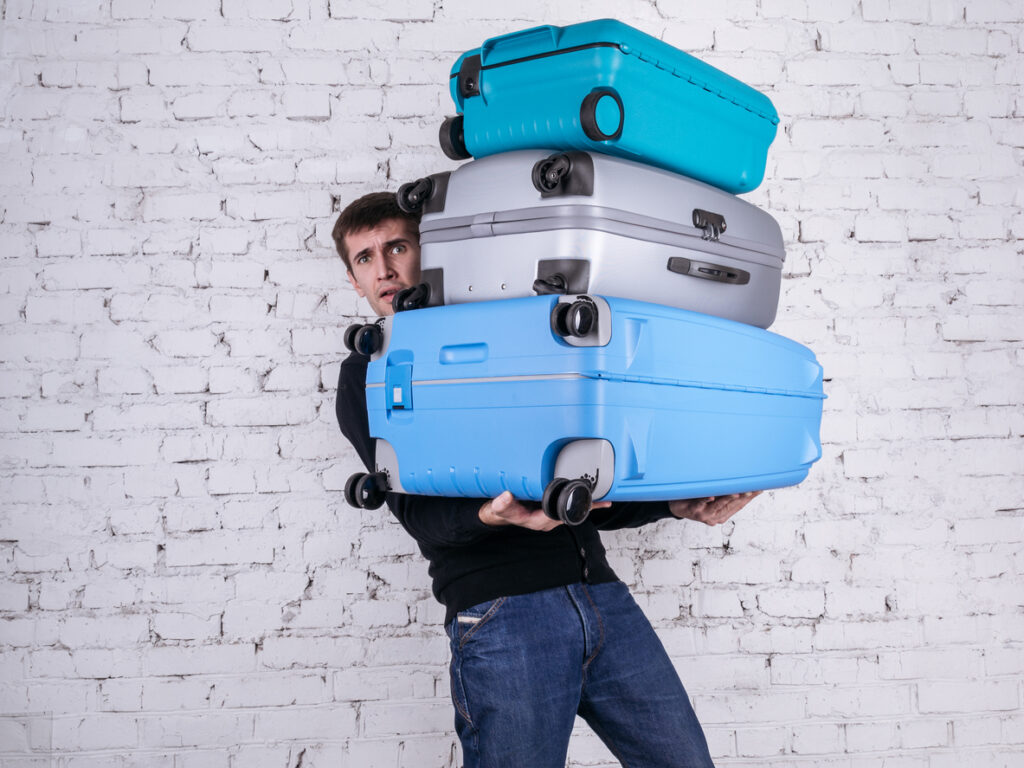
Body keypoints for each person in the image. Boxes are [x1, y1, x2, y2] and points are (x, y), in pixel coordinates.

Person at [332, 191, 760, 768]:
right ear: (355, 282)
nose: (383, 268)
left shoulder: (509, 332)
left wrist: (674, 506)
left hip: (602, 599)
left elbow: (577, 485)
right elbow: (415, 514)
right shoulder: (367, 372)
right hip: (503, 614)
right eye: (364, 259)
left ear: (427, 252)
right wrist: (491, 513)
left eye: (397, 247)